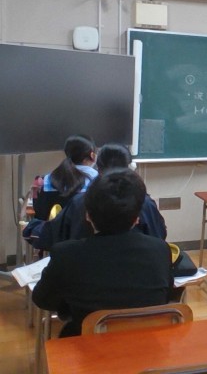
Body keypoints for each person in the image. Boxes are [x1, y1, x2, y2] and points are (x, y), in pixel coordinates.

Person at [32, 168, 173, 337]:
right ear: (137, 219)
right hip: (145, 344)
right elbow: (165, 296)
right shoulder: (160, 250)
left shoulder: (66, 254)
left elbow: (43, 300)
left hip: (88, 347)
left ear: (88, 215)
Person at [24, 143, 167, 250]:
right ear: (130, 167)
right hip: (136, 273)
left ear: (98, 168)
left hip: (85, 272)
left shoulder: (80, 202)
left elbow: (50, 235)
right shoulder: (144, 203)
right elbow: (159, 235)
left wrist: (30, 227)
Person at [33, 134, 98, 221]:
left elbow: (40, 215)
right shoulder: (99, 180)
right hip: (85, 229)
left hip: (53, 229)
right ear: (92, 155)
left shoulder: (46, 180)